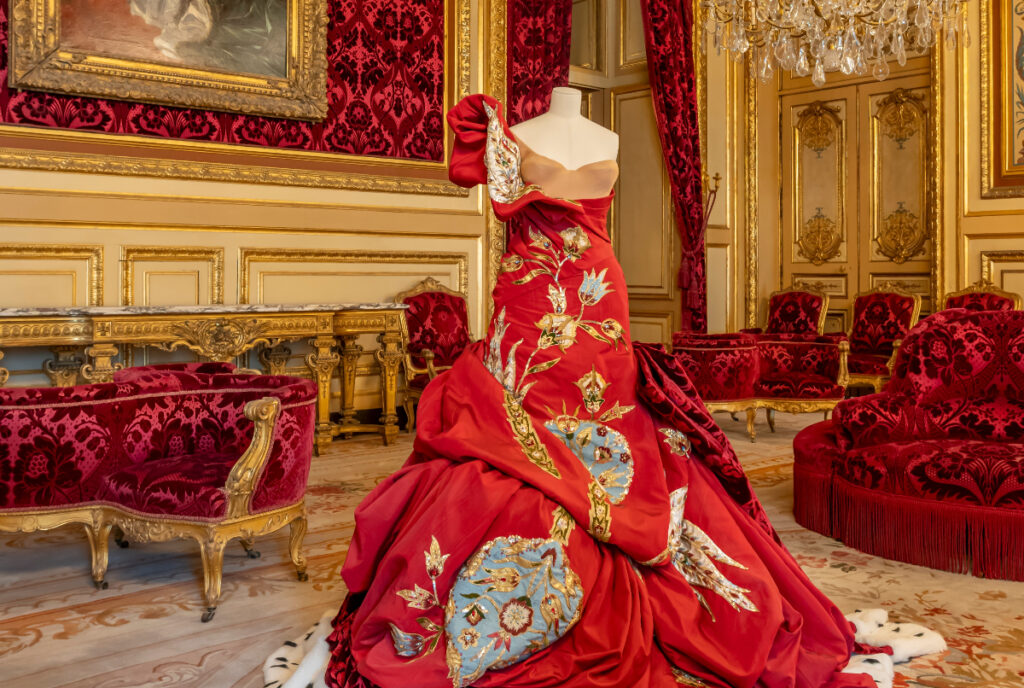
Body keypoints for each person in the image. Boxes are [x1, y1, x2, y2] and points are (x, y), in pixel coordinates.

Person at [297, 90, 876, 688]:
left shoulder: (608, 136)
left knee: (623, 429)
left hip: (601, 295)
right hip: (527, 303)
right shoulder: (515, 131)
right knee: (500, 450)